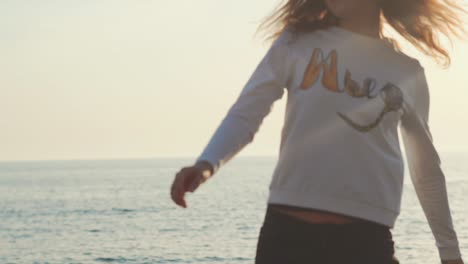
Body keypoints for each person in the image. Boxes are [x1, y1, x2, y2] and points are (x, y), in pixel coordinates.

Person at [170, 0, 468, 263]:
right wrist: (206, 164)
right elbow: (247, 112)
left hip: (366, 240)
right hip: (288, 238)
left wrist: (450, 253)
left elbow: (425, 169)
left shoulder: (406, 71)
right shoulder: (295, 44)